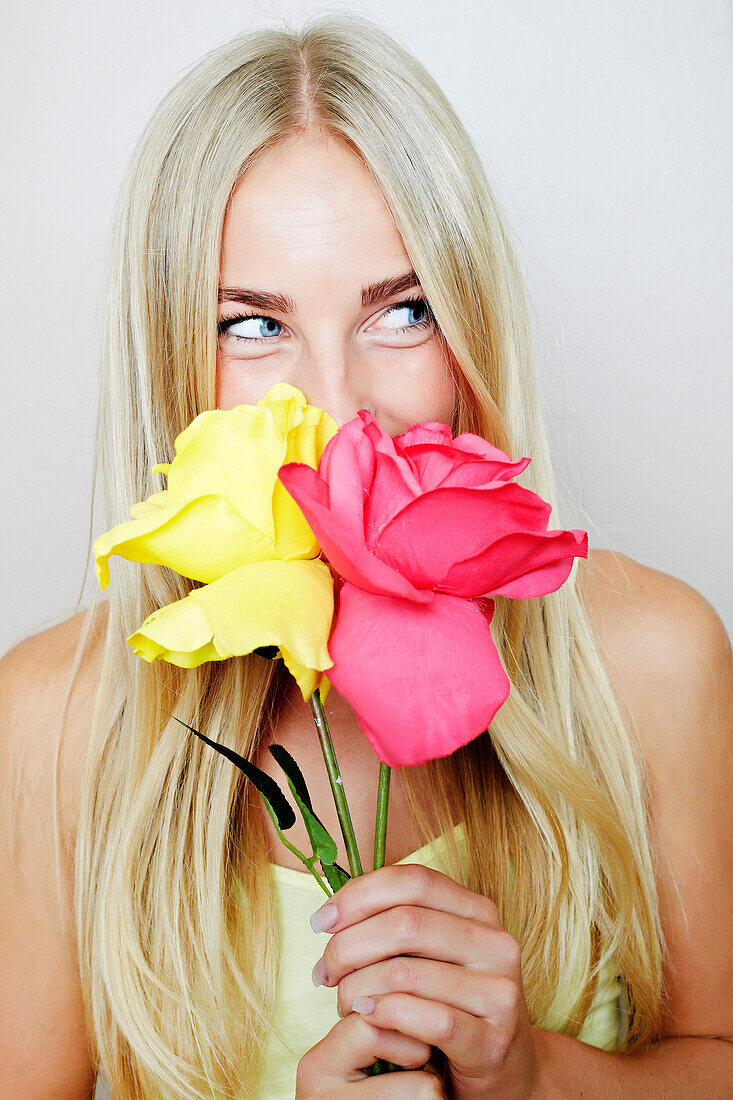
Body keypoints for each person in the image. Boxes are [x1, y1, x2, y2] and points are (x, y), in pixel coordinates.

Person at [1, 13, 731, 1100]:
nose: (338, 409)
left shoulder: (652, 660)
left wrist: (534, 1078)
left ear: (470, 331)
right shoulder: (57, 720)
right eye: (252, 325)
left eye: (401, 310)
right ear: (168, 366)